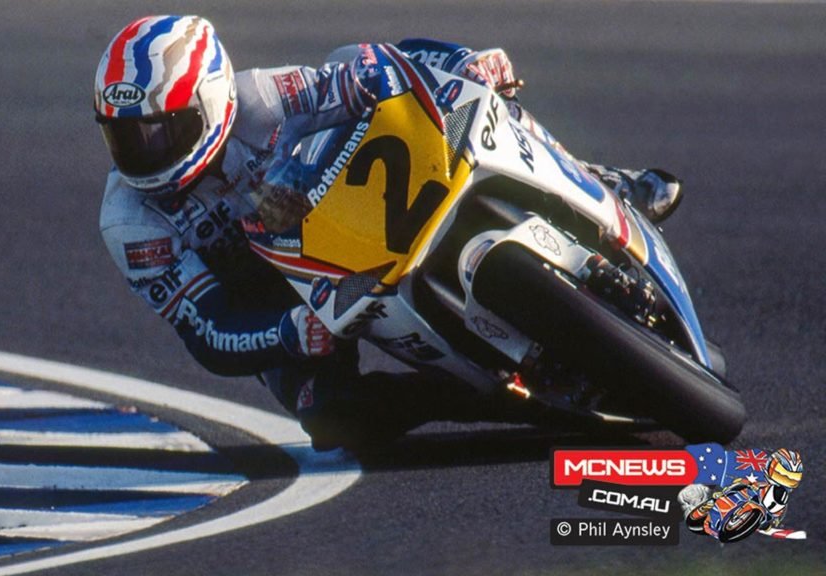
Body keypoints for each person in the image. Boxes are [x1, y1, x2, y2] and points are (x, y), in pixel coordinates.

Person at [95, 15, 683, 450]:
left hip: (343, 208)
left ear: (211, 99)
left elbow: (370, 73)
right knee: (333, 419)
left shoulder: (259, 97)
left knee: (409, 61)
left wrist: (459, 68)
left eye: (162, 131)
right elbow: (207, 329)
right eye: (126, 137)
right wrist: (289, 332)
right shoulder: (130, 221)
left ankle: (602, 180)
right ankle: (489, 398)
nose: (144, 154)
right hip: (282, 302)